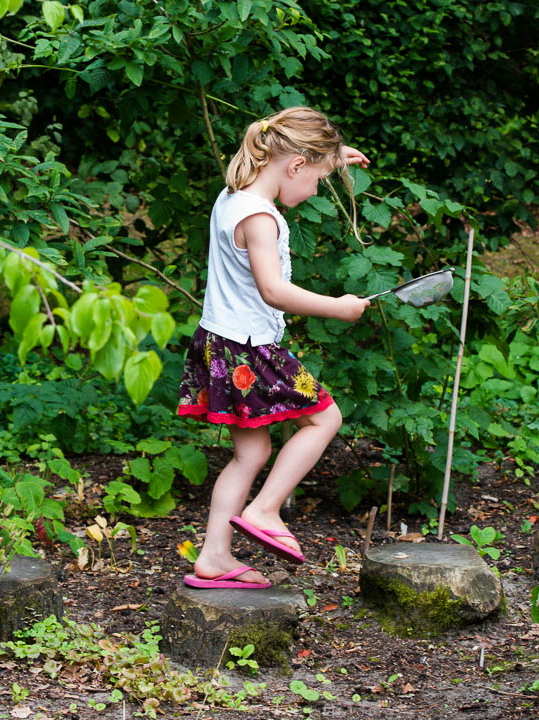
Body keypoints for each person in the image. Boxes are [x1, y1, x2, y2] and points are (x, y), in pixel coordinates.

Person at [176, 107, 371, 589]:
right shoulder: (262, 219)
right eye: (318, 179)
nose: (313, 191)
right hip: (250, 349)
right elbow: (273, 290)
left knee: (250, 454)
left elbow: (294, 165)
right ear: (296, 165)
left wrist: (334, 159)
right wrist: (339, 307)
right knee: (326, 419)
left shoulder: (232, 197)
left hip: (218, 343)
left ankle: (215, 555)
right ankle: (264, 509)